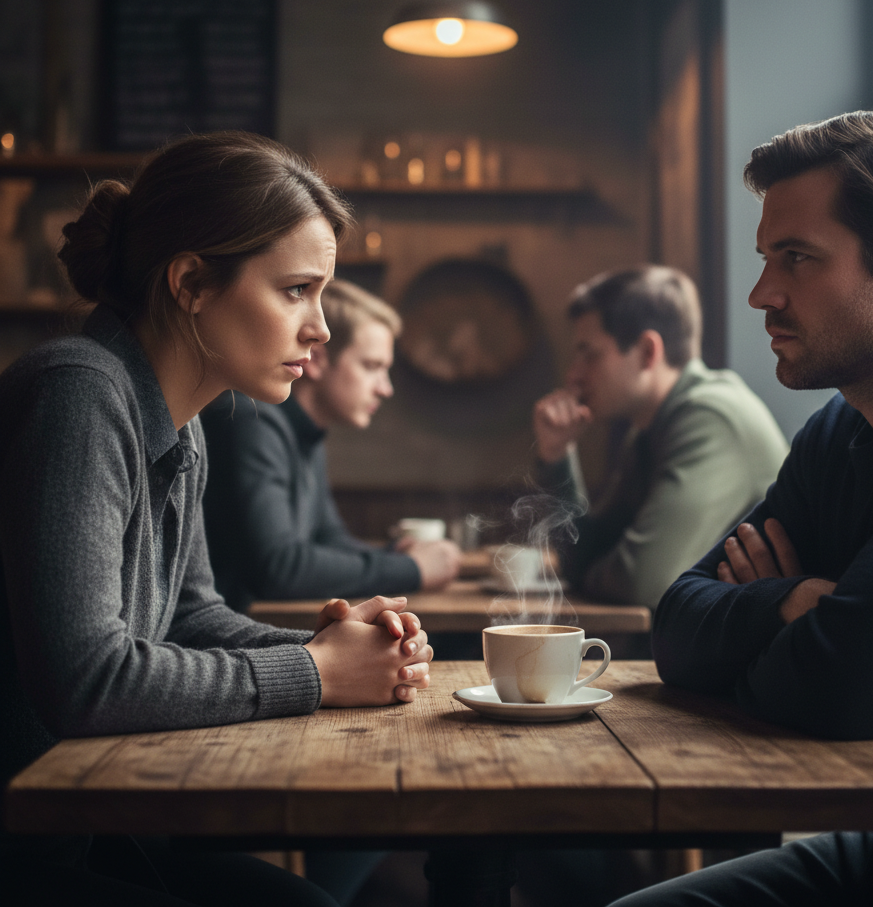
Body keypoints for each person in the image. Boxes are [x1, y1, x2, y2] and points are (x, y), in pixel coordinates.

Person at [0, 132, 433, 907]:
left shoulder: (185, 423)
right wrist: (316, 672)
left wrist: (340, 652)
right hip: (26, 850)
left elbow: (192, 616)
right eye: (297, 289)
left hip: (96, 832)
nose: (322, 327)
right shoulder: (78, 392)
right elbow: (87, 681)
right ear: (192, 282)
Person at [611, 111, 873, 907]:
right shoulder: (838, 431)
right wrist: (796, 606)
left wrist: (849, 660)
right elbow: (675, 627)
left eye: (797, 259)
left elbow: (848, 687)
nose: (764, 293)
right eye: (768, 258)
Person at [532, 266, 789, 610]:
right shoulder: (649, 428)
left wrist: (590, 570)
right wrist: (557, 453)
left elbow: (639, 583)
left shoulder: (710, 418)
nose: (573, 374)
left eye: (589, 353)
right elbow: (584, 554)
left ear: (648, 351)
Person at [202, 279, 460, 611]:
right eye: (372, 367)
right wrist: (412, 569)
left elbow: (328, 538)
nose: (385, 389)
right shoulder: (250, 419)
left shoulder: (305, 431)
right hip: (227, 644)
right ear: (318, 361)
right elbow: (278, 568)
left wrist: (394, 554)